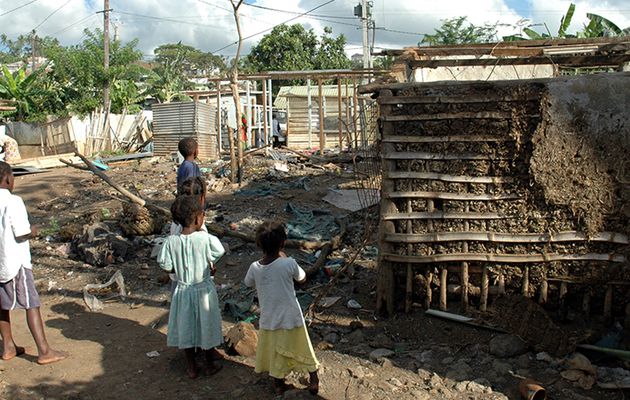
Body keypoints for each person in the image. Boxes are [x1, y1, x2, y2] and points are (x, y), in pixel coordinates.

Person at [0, 161, 66, 365]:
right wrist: (34, 231)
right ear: (9, 178)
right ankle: (44, 351)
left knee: (2, 305)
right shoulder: (13, 201)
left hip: (0, 262)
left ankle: (8, 346)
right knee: (32, 304)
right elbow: (21, 234)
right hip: (16, 262)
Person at [244, 221, 319, 395]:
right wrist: (285, 260)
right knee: (302, 345)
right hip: (292, 317)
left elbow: (247, 283)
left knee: (275, 351)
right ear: (283, 243)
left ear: (259, 245)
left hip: (270, 319)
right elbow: (302, 278)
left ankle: (279, 384)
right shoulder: (289, 263)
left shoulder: (254, 267)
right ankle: (313, 378)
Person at [158, 194, 225, 379]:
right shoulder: (204, 239)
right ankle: (209, 364)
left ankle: (191, 367)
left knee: (186, 326)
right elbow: (219, 250)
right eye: (203, 215)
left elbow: (164, 263)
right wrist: (208, 263)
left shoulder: (171, 241)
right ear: (197, 218)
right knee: (206, 324)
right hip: (203, 289)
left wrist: (177, 267)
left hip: (183, 289)